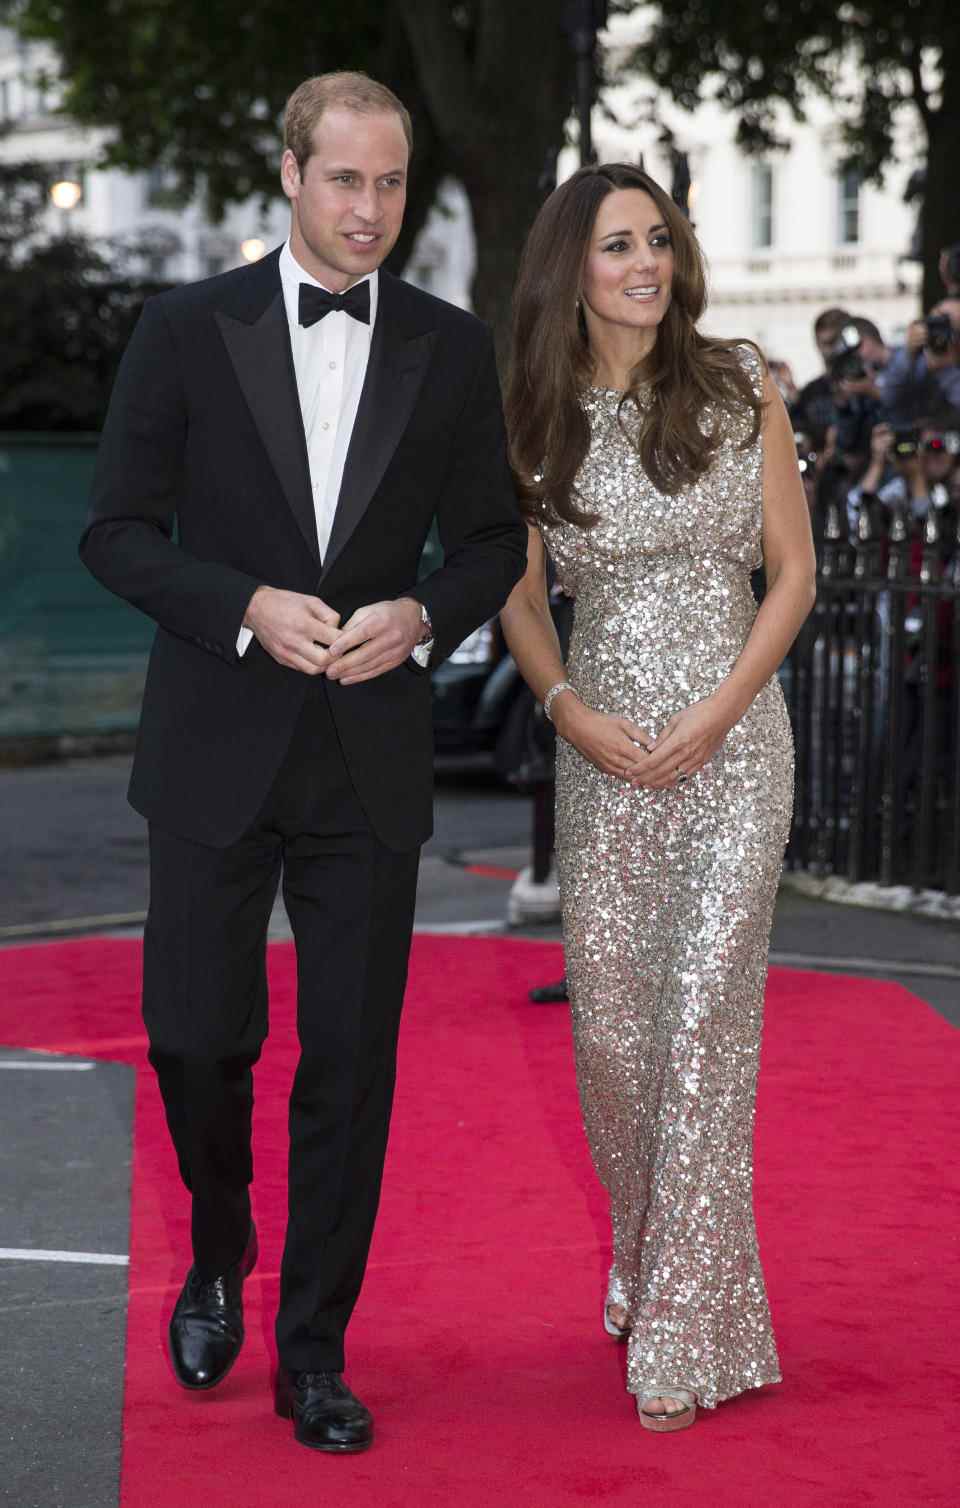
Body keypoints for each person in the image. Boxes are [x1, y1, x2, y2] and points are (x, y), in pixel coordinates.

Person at [80, 71, 525, 1453]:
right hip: (215, 746)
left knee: (352, 1064)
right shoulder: (183, 330)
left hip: (369, 761)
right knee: (195, 1039)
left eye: (392, 185)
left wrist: (423, 615)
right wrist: (241, 606)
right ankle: (220, 1248)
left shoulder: (451, 350)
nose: (370, 210)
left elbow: (496, 544)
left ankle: (314, 1352)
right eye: (346, 180)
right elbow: (117, 532)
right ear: (289, 174)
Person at [500, 163, 815, 1432]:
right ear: (570, 266)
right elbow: (520, 596)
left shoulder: (741, 388)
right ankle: (644, 1253)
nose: (647, 264)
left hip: (732, 744)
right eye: (621, 244)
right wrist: (569, 708)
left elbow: (791, 574)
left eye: (662, 243)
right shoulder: (533, 415)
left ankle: (691, 1321)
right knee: (614, 1040)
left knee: (699, 1026)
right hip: (604, 751)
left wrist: (721, 708)